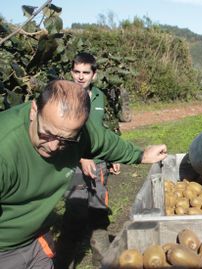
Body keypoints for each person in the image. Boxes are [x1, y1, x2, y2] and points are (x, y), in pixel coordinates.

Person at [0, 80, 168, 269]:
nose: (54, 146)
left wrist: (141, 155)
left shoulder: (77, 134)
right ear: (33, 110)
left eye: (66, 139)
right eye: (46, 134)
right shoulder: (4, 150)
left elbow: (105, 142)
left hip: (35, 239)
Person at [54, 53, 120, 268]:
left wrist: (113, 155)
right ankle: (63, 263)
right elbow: (58, 133)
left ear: (94, 74)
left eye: (86, 72)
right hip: (74, 165)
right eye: (77, 72)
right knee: (75, 214)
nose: (81, 77)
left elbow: (106, 128)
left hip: (100, 164)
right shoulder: (62, 96)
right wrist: (81, 157)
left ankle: (102, 261)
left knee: (99, 213)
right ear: (71, 72)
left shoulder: (100, 96)